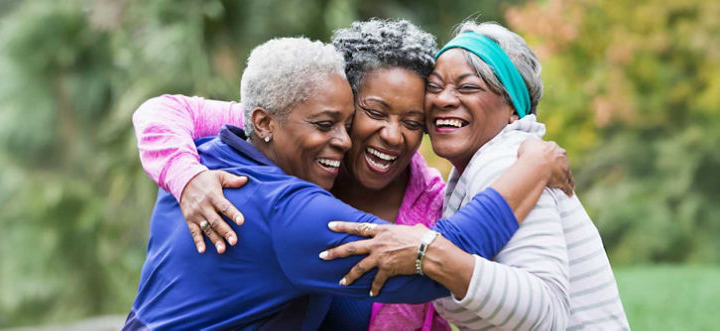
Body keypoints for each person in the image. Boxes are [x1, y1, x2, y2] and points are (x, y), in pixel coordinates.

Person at [131, 19, 573, 330]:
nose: (341, 139)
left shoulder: (217, 152)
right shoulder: (283, 204)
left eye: (414, 121)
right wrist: (532, 169)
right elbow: (440, 261)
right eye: (370, 113)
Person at [326, 21, 631, 330]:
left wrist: (425, 251)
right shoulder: (480, 176)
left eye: (467, 86)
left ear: (513, 107)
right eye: (435, 87)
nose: (443, 99)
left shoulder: (507, 160)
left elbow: (547, 308)